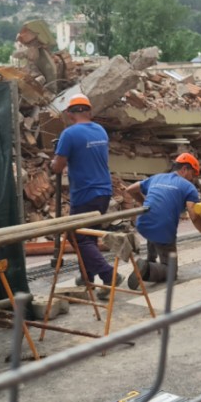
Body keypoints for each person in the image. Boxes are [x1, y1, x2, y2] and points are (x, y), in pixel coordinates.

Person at [50, 94, 116, 287]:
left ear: (70, 114)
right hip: (104, 191)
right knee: (90, 236)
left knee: (77, 237)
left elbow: (57, 166)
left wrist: (53, 163)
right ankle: (87, 277)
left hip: (85, 194)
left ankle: (108, 273)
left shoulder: (69, 134)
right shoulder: (100, 131)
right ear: (90, 112)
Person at [123, 153, 201, 267]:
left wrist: (143, 203)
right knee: (170, 272)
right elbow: (194, 217)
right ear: (184, 169)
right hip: (162, 229)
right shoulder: (189, 187)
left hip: (143, 224)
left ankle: (150, 260)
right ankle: (146, 270)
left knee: (154, 225)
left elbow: (130, 189)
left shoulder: (157, 177)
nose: (193, 179)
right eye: (193, 174)